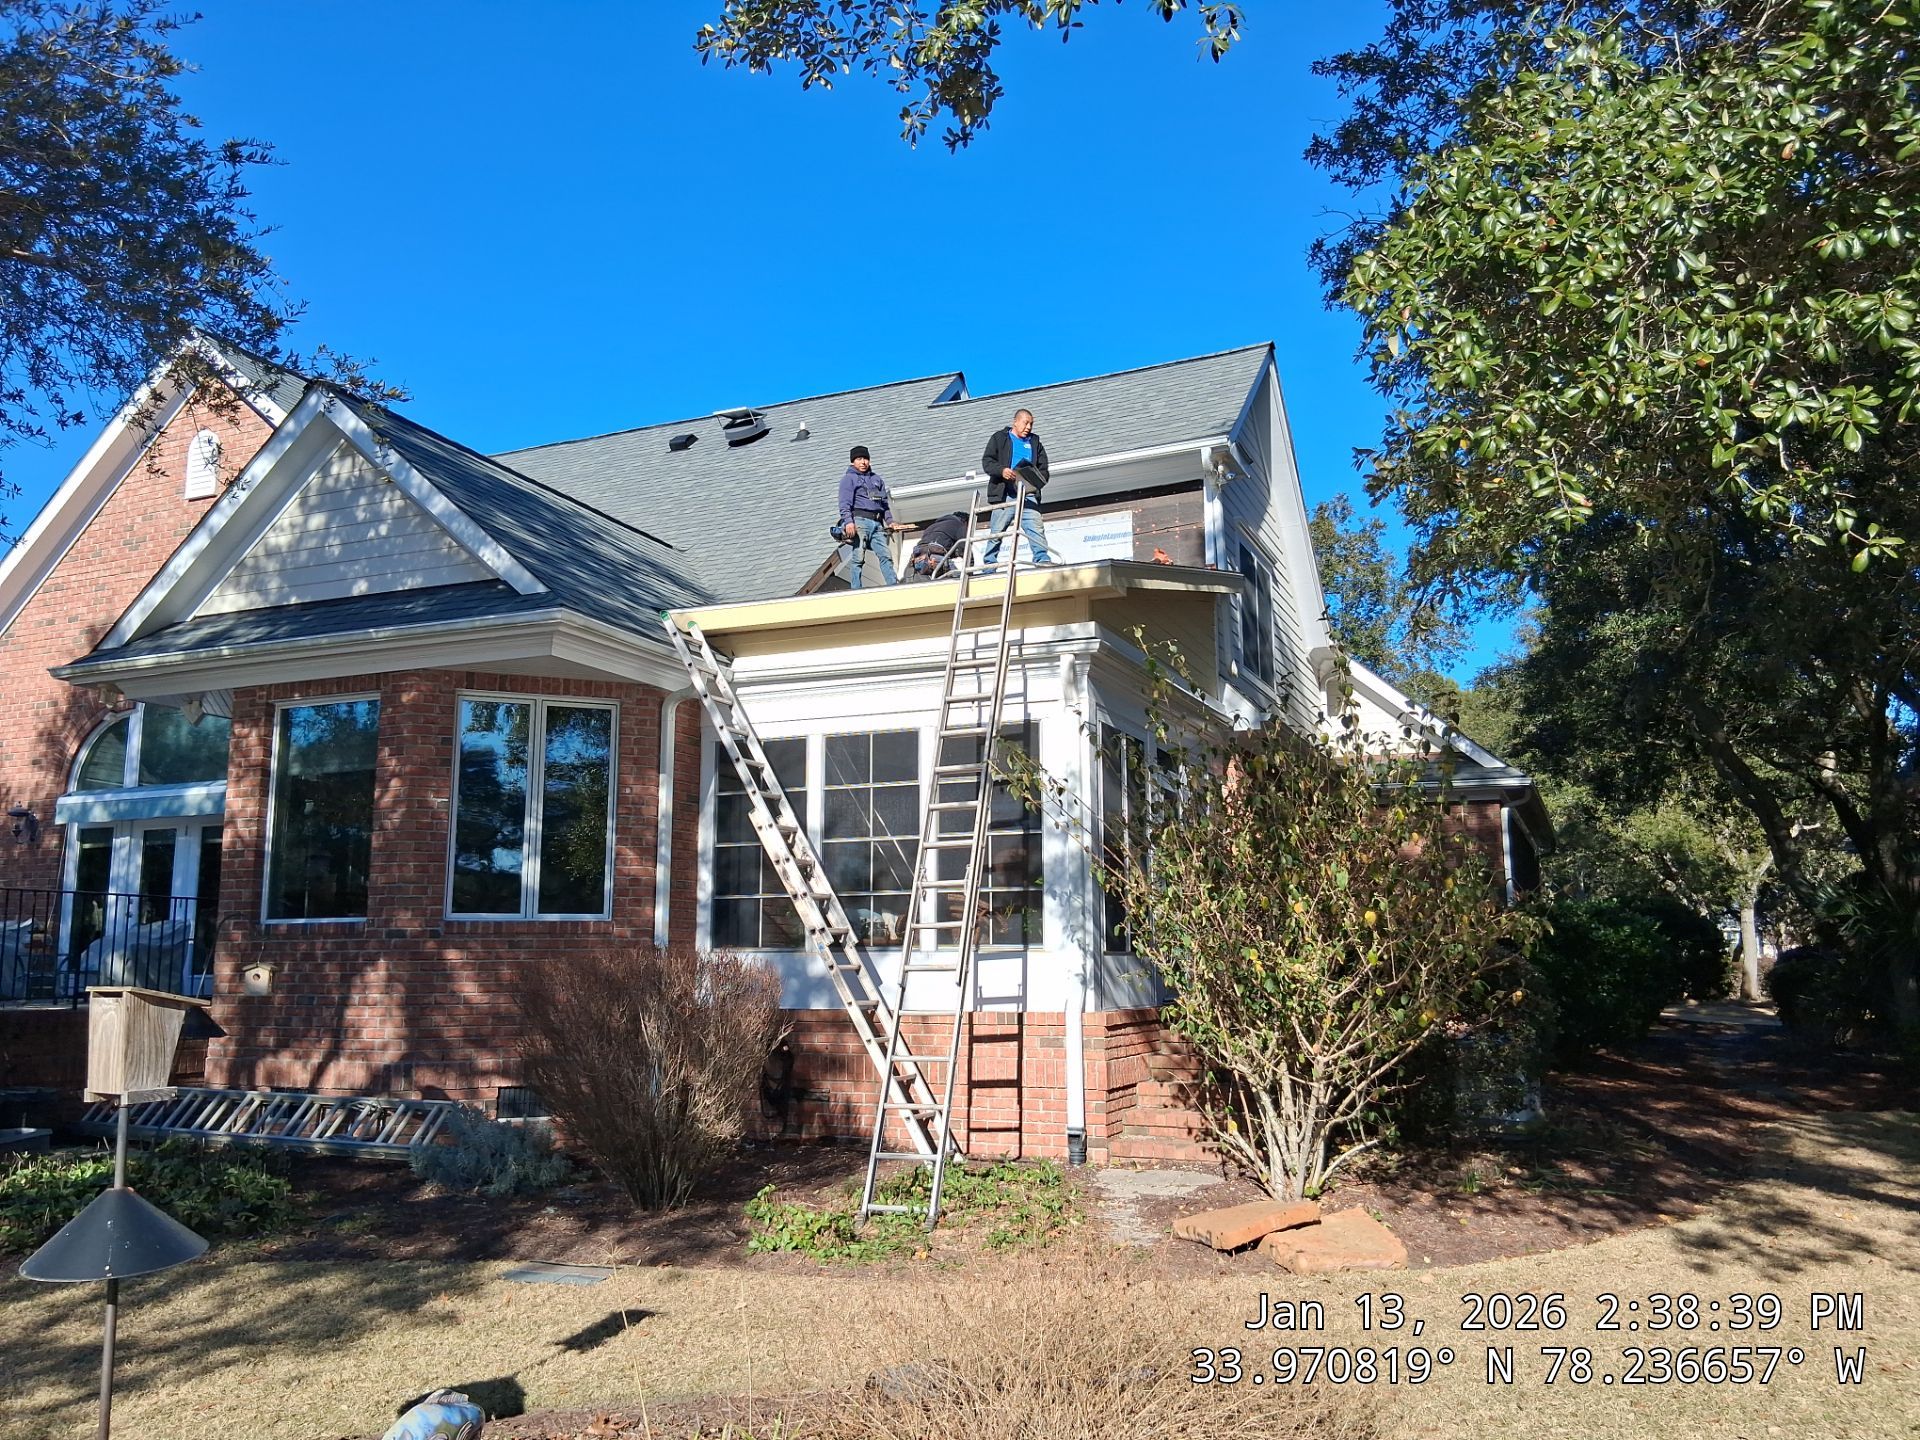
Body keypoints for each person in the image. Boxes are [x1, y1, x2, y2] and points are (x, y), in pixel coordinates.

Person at [979, 409, 1052, 569]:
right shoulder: (1000, 438)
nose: (1028, 427)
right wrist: (1002, 471)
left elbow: (1044, 470)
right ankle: (989, 565)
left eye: (1031, 424)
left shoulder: (1035, 443)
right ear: (1015, 422)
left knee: (1036, 528)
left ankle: (1042, 560)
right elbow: (987, 462)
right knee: (997, 532)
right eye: (1025, 423)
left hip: (1028, 494)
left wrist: (1035, 480)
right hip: (1005, 493)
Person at [836, 445, 906, 588]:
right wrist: (849, 522)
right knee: (858, 557)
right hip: (859, 521)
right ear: (852, 462)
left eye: (865, 459)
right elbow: (844, 503)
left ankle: (893, 585)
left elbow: (884, 504)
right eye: (859, 459)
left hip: (877, 523)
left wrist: (890, 521)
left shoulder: (876, 480)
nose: (863, 462)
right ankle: (856, 589)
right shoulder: (848, 479)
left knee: (885, 555)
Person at [906, 510, 970, 580]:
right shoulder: (959, 524)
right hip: (934, 556)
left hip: (918, 557)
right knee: (958, 579)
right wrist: (970, 569)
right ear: (965, 522)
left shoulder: (933, 526)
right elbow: (965, 549)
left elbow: (944, 543)